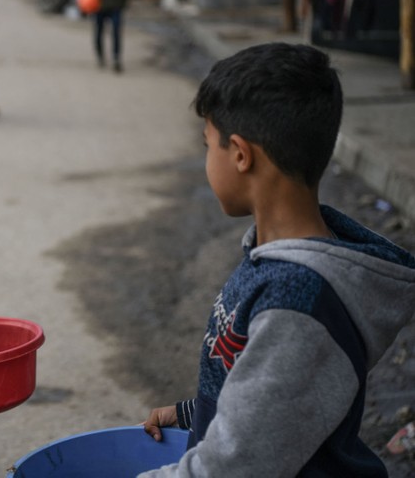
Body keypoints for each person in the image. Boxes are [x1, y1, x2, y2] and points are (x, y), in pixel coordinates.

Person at [140, 43, 415, 477]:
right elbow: (276, 396)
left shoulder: (299, 301)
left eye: (209, 144)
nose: (206, 158)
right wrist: (197, 413)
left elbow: (234, 467)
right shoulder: (274, 261)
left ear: (241, 154)